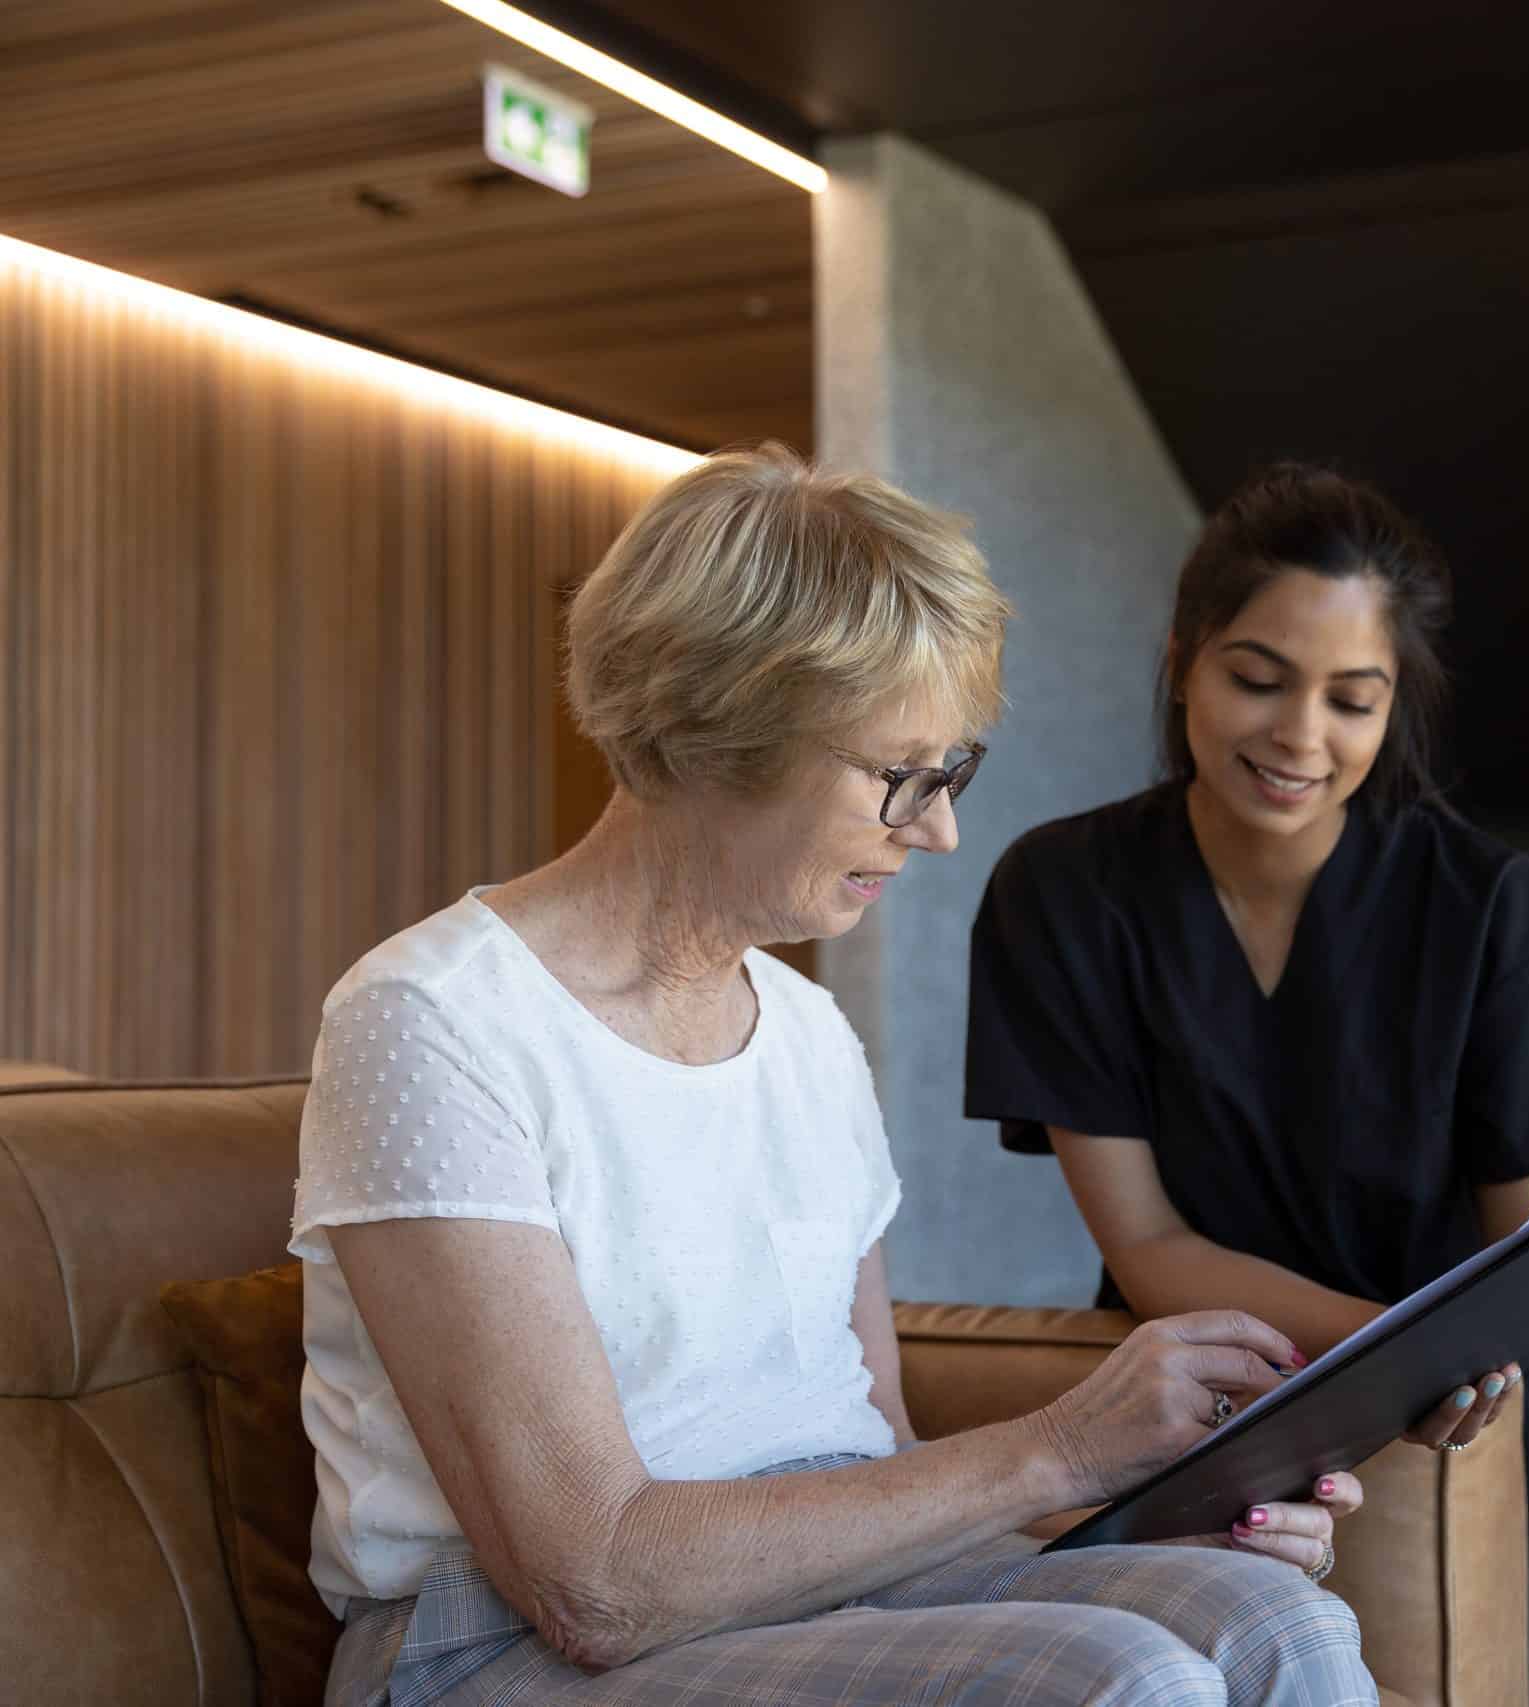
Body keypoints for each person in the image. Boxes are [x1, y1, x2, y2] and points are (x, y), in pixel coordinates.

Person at [292, 445, 1380, 1707]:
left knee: (1273, 1621)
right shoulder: (430, 1021)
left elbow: (879, 1461)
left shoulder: (808, 1034)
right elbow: (590, 1578)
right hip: (493, 1641)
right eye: (898, 776)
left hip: (813, 1582)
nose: (939, 829)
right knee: (1119, 1683)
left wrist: (1130, 1526)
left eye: (952, 771)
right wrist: (1063, 1450)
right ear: (715, 736)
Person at [964, 463, 1529, 1707]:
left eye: (1353, 700)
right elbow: (1148, 1245)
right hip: (1210, 1418)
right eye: (1258, 678)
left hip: (1466, 1445)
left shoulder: (1490, 912)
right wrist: (1408, 1357)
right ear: (1185, 656)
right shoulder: (1065, 892)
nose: (1302, 737)